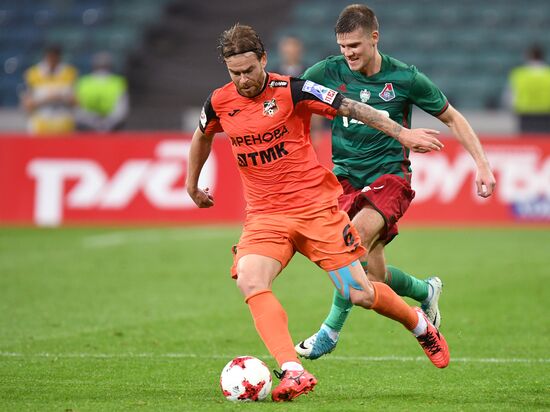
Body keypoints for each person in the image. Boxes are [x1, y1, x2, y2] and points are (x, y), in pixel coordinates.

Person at [186, 23, 449, 402]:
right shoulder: (219, 101)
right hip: (265, 216)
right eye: (235, 73)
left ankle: (420, 324)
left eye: (249, 70)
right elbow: (202, 135)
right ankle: (292, 370)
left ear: (264, 59)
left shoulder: (294, 89)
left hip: (316, 211)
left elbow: (353, 107)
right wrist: (192, 185)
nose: (243, 80)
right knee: (250, 280)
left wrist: (403, 134)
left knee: (359, 292)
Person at [295, 4, 496, 360]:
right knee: (375, 278)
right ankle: (425, 291)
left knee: (348, 243)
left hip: (389, 178)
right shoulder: (327, 71)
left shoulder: (404, 78)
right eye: (343, 47)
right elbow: (291, 98)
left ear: (375, 37)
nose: (348, 53)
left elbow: (452, 117)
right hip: (344, 180)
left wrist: (482, 164)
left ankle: (329, 331)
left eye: (355, 45)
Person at [21, 45, 78, 135]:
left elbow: (75, 102)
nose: (52, 60)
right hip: (40, 125)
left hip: (64, 126)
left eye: (55, 56)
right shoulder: (33, 74)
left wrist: (61, 97)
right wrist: (46, 99)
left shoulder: (70, 73)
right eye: (50, 56)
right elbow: (27, 104)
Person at [75, 52, 129, 132]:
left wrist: (94, 122)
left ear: (93, 66)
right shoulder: (118, 82)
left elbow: (78, 110)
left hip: (87, 127)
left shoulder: (83, 82)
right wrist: (106, 124)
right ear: (110, 66)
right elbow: (121, 110)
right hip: (111, 127)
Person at [508, 44, 550, 133]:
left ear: (528, 56)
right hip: (546, 113)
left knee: (527, 140)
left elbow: (511, 96)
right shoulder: (548, 74)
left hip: (525, 113)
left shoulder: (519, 74)